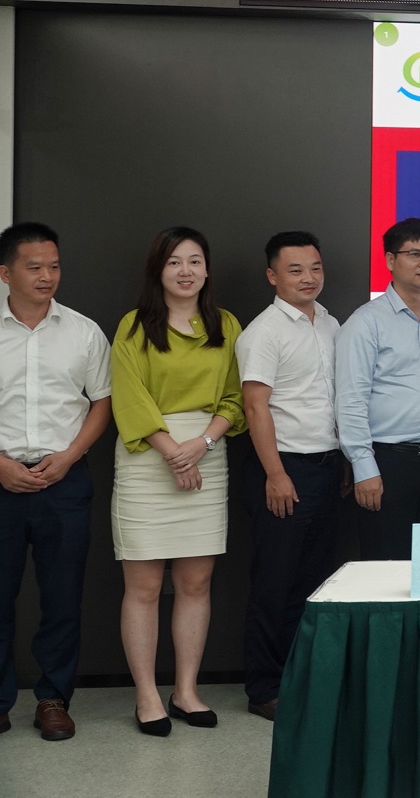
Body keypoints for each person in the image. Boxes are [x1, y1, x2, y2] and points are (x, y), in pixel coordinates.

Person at [110, 226, 245, 737]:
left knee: (195, 582)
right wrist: (173, 452)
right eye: (174, 262)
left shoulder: (225, 324)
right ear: (158, 270)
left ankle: (186, 690)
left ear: (207, 269)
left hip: (206, 452)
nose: (185, 271)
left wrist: (202, 444)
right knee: (144, 587)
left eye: (194, 261)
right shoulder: (134, 325)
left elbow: (236, 396)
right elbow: (129, 397)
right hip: (148, 457)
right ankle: (147, 695)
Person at [0, 223, 111, 742]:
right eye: (34, 267)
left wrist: (69, 457)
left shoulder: (84, 331)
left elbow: (102, 402)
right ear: (6, 273)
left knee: (62, 599)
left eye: (54, 266)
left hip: (63, 480)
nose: (47, 276)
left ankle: (53, 699)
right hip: (0, 477)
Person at [234, 231, 344, 723]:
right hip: (284, 469)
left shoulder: (332, 324)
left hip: (328, 466)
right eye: (295, 270)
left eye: (315, 268)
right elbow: (255, 407)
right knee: (274, 584)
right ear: (272, 276)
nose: (308, 278)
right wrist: (275, 474)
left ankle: (301, 680)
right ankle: (264, 688)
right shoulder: (263, 332)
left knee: (313, 583)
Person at [336, 218, 420, 559]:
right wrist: (364, 467)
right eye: (415, 254)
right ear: (390, 260)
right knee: (386, 567)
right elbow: (350, 400)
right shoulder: (366, 322)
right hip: (389, 463)